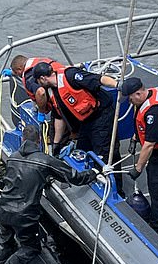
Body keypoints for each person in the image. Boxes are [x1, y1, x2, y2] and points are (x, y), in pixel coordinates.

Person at [0, 125, 96, 264]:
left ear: (22, 140)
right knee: (31, 247)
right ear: (39, 140)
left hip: (4, 208)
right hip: (24, 215)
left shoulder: (12, 158)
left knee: (4, 239)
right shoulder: (45, 161)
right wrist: (92, 174)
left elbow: (19, 180)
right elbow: (73, 177)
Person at [32, 61, 124, 195]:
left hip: (101, 115)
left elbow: (98, 80)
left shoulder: (70, 76)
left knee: (103, 152)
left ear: (42, 78)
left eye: (38, 82)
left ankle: (115, 190)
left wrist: (117, 85)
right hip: (86, 121)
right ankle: (90, 180)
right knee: (82, 149)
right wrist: (56, 144)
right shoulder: (52, 91)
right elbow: (59, 117)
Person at [122, 77, 158, 237]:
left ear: (139, 93)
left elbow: (149, 145)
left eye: (131, 97)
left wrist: (138, 168)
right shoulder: (154, 93)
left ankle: (157, 232)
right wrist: (135, 137)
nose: (130, 101)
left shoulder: (155, 112)